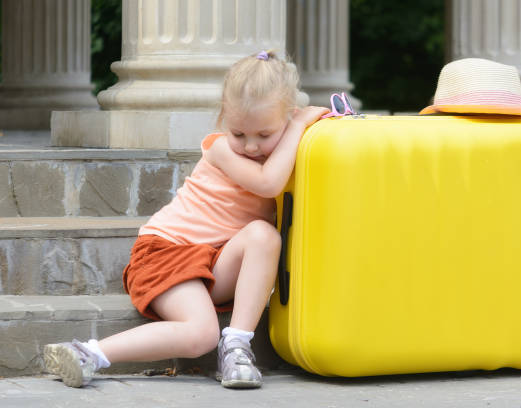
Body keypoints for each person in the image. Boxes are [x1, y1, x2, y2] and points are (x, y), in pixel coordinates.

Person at [42, 50, 329, 389]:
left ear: (287, 115)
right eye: (239, 133)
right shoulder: (221, 149)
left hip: (212, 261)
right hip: (166, 253)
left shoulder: (282, 150)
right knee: (201, 333)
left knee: (263, 236)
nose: (251, 146)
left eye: (264, 135)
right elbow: (268, 183)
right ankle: (89, 354)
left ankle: (236, 345)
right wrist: (297, 127)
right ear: (223, 120)